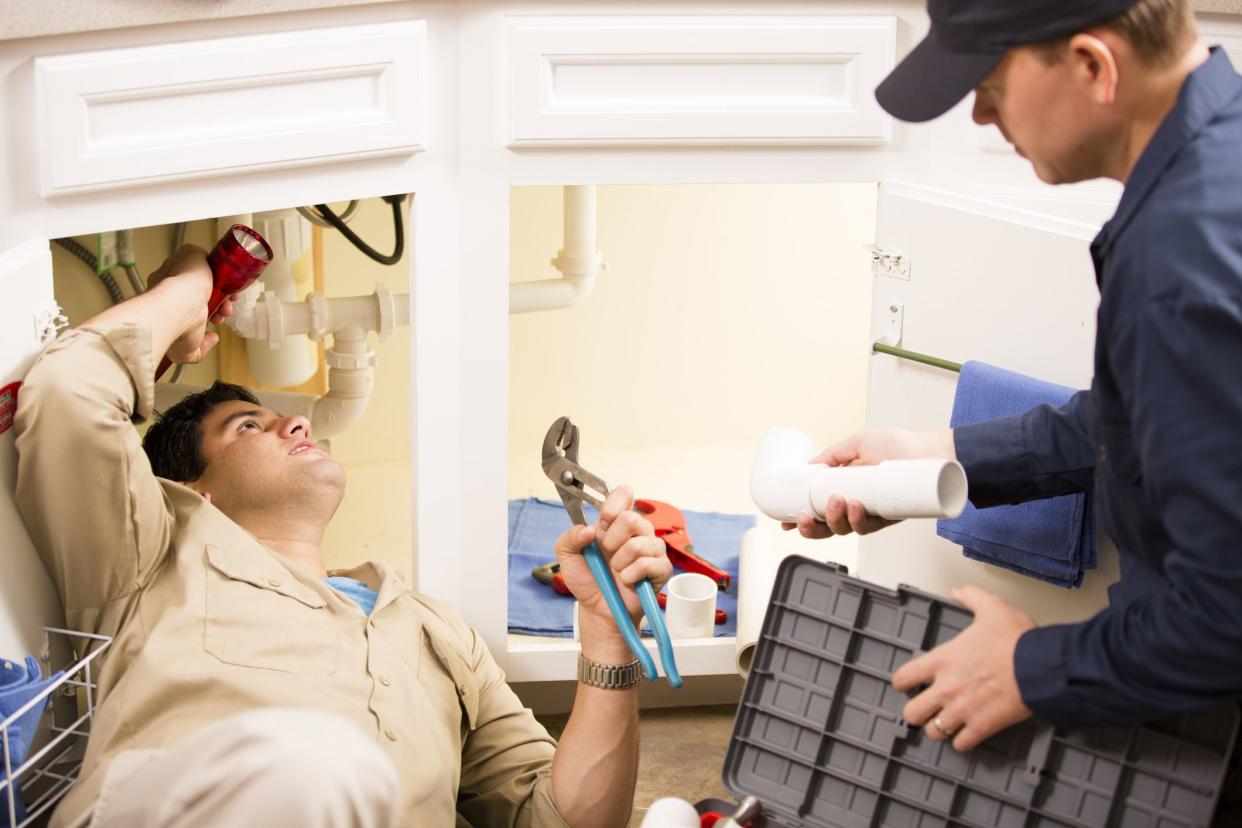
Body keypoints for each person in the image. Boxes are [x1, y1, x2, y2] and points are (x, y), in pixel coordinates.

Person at [14, 244, 671, 828]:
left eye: (285, 419)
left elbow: (563, 819)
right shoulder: (153, 552)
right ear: (194, 492)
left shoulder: (434, 630)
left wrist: (606, 636)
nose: (295, 425)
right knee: (323, 765)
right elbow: (65, 390)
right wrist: (188, 288)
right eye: (248, 426)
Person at [788, 0, 1242, 781]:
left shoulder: (1180, 262)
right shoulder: (1216, 158)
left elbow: (1225, 617)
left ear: (1094, 67)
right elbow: (1143, 418)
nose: (979, 112)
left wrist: (1028, 667)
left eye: (992, 80)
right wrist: (936, 454)